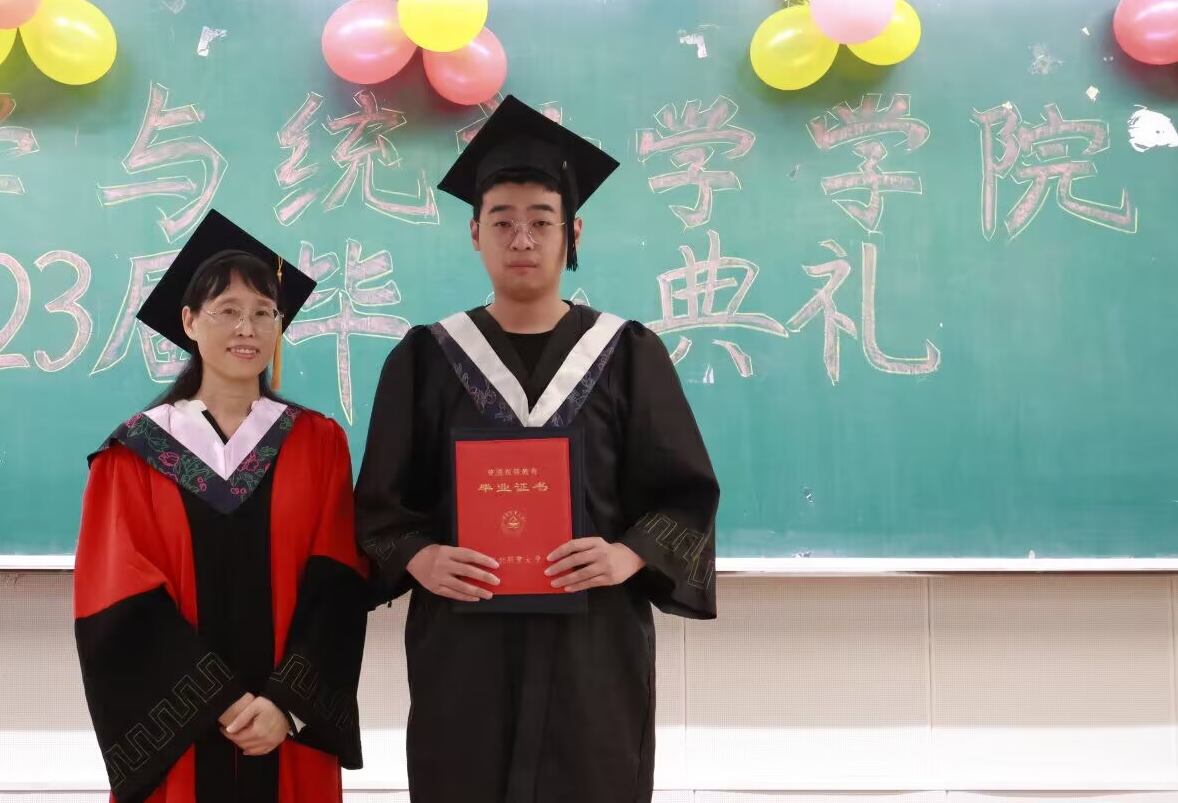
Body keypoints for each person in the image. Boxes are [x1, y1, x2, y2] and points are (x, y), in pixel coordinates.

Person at [354, 96, 720, 803]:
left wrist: (628, 555)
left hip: (593, 643)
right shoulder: (424, 359)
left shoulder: (628, 354)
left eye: (541, 221)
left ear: (571, 232)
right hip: (464, 646)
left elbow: (686, 494)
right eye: (501, 221)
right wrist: (420, 557)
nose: (521, 237)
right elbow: (378, 506)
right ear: (475, 234)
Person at [75, 209, 368, 803]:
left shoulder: (317, 444)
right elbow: (118, 598)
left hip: (285, 734)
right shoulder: (133, 455)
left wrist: (286, 706)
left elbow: (338, 581)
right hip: (186, 740)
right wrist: (219, 701)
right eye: (227, 310)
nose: (247, 328)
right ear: (189, 321)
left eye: (264, 312)